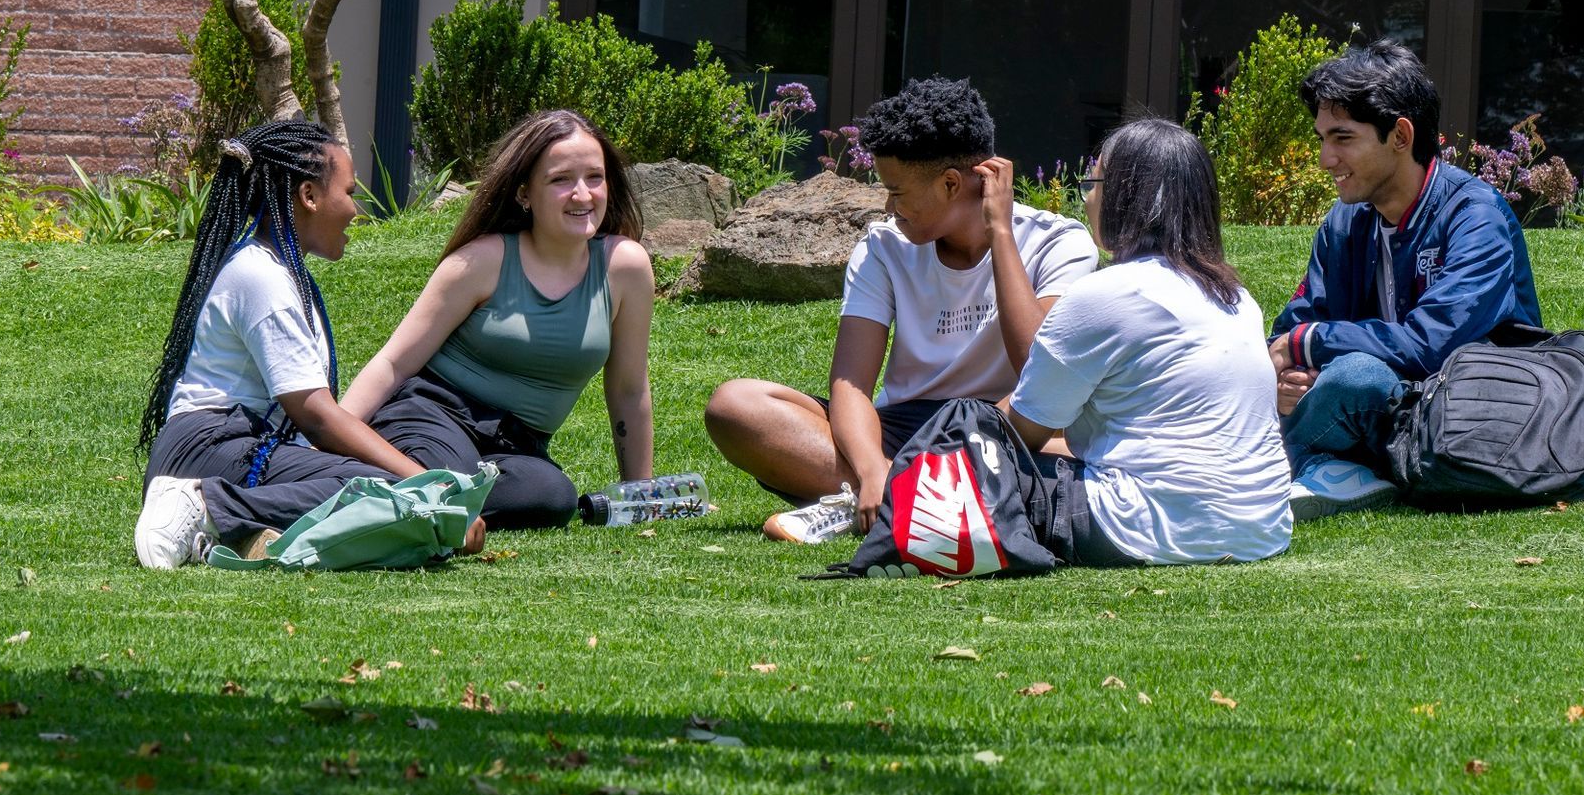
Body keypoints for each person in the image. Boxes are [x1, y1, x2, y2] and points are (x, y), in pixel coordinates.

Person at [705, 77, 1098, 541]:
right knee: (736, 405)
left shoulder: (1059, 243)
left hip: (1005, 428)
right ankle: (911, 499)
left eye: (898, 192)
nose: (889, 207)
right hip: (903, 428)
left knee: (1072, 447)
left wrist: (1001, 237)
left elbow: (1037, 369)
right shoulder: (883, 247)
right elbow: (850, 385)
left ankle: (883, 505)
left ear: (951, 184)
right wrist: (871, 467)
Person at [134, 120, 486, 568]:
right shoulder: (260, 276)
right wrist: (426, 483)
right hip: (211, 448)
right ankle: (204, 506)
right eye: (350, 192)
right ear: (309, 196)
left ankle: (229, 535)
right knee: (384, 492)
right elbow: (317, 417)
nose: (356, 210)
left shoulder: (280, 271)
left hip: (242, 449)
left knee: (402, 512)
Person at [340, 110, 655, 528]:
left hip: (516, 444)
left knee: (552, 497)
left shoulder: (624, 267)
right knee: (441, 472)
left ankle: (423, 496)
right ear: (525, 194)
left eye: (594, 177)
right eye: (561, 180)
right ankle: (373, 482)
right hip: (435, 415)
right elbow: (394, 363)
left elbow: (629, 390)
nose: (583, 194)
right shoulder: (482, 260)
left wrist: (642, 497)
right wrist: (331, 435)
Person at [1269, 41, 1541, 519]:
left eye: (1343, 138)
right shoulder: (1345, 223)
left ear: (1400, 135)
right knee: (1334, 378)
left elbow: (1429, 345)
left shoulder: (1476, 216)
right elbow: (1292, 329)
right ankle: (1331, 465)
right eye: (1322, 139)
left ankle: (1307, 463)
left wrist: (1308, 345)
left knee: (1357, 377)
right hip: (1390, 413)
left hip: (1469, 418)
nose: (1325, 159)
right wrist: (1289, 378)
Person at [1003, 119, 1293, 566]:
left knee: (986, 460)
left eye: (1093, 181)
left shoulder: (1107, 293)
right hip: (1261, 528)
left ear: (1125, 196)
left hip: (1146, 526)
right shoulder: (1236, 297)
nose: (1088, 199)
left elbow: (1025, 432)